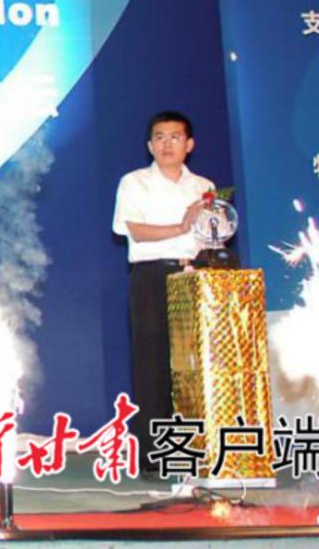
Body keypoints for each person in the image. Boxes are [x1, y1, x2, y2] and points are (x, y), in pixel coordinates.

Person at [112, 110, 212, 472]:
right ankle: (155, 453)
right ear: (149, 145)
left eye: (175, 137)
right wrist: (180, 226)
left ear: (189, 144)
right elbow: (134, 230)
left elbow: (211, 232)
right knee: (152, 364)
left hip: (195, 274)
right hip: (152, 275)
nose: (167, 144)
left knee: (196, 363)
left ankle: (200, 445)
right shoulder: (134, 182)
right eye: (159, 137)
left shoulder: (203, 187)